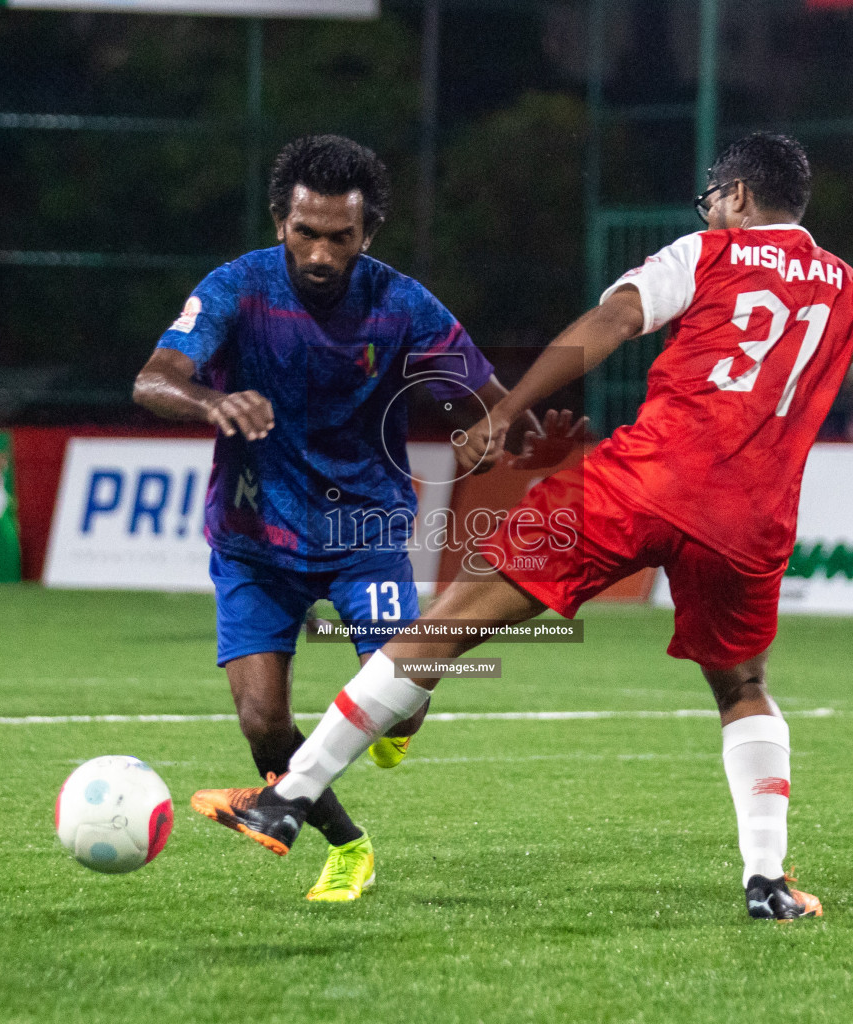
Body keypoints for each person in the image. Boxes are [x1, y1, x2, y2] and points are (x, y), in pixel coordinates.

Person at [188, 132, 853, 919]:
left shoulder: (707, 254)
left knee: (447, 623)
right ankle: (767, 883)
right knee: (743, 689)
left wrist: (503, 409)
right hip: (752, 519)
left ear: (733, 196)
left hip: (640, 483)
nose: (707, 212)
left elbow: (605, 325)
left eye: (710, 199)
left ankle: (288, 798)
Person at [134, 134, 580, 901]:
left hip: (362, 536)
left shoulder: (401, 303)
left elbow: (486, 399)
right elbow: (153, 380)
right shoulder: (236, 289)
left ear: (366, 234)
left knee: (402, 713)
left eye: (339, 237)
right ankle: (347, 847)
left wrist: (502, 431)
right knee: (261, 723)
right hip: (251, 541)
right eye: (304, 231)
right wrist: (211, 400)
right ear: (282, 221)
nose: (318, 251)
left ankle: (393, 723)